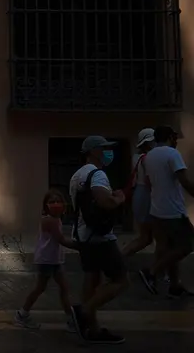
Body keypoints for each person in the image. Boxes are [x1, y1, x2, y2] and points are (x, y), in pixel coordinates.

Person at [68, 136, 128, 345]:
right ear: (92, 151)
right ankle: (84, 311)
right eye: (104, 149)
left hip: (84, 235)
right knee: (120, 280)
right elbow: (106, 202)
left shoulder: (77, 175)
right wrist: (119, 198)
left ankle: (92, 330)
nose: (108, 152)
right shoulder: (98, 174)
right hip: (101, 237)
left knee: (91, 279)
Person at [138, 125, 194, 298]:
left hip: (157, 209)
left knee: (171, 247)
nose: (177, 140)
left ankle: (175, 286)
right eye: (175, 137)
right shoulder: (172, 154)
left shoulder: (150, 156)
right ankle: (153, 272)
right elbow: (183, 180)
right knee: (188, 245)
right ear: (170, 137)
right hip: (173, 210)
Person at [15, 189, 77, 331]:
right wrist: (81, 246)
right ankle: (22, 314)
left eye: (58, 201)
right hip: (46, 260)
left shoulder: (56, 220)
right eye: (51, 202)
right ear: (46, 206)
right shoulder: (50, 221)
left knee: (63, 287)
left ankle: (71, 319)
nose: (55, 204)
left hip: (54, 260)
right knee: (40, 288)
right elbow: (61, 239)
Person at [121, 128, 156, 258]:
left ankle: (119, 258)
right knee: (155, 237)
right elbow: (149, 181)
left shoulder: (137, 157)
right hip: (147, 196)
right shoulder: (147, 158)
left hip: (140, 195)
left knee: (145, 238)